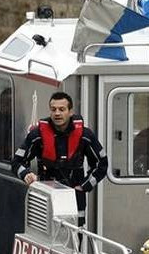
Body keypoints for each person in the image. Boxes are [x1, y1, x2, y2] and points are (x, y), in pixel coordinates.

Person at [10, 91, 107, 224]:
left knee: (74, 238)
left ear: (70, 112)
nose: (57, 113)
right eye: (53, 109)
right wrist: (26, 174)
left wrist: (85, 185)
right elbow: (16, 162)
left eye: (62, 109)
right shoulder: (37, 135)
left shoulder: (85, 136)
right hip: (45, 197)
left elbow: (101, 164)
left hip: (74, 198)